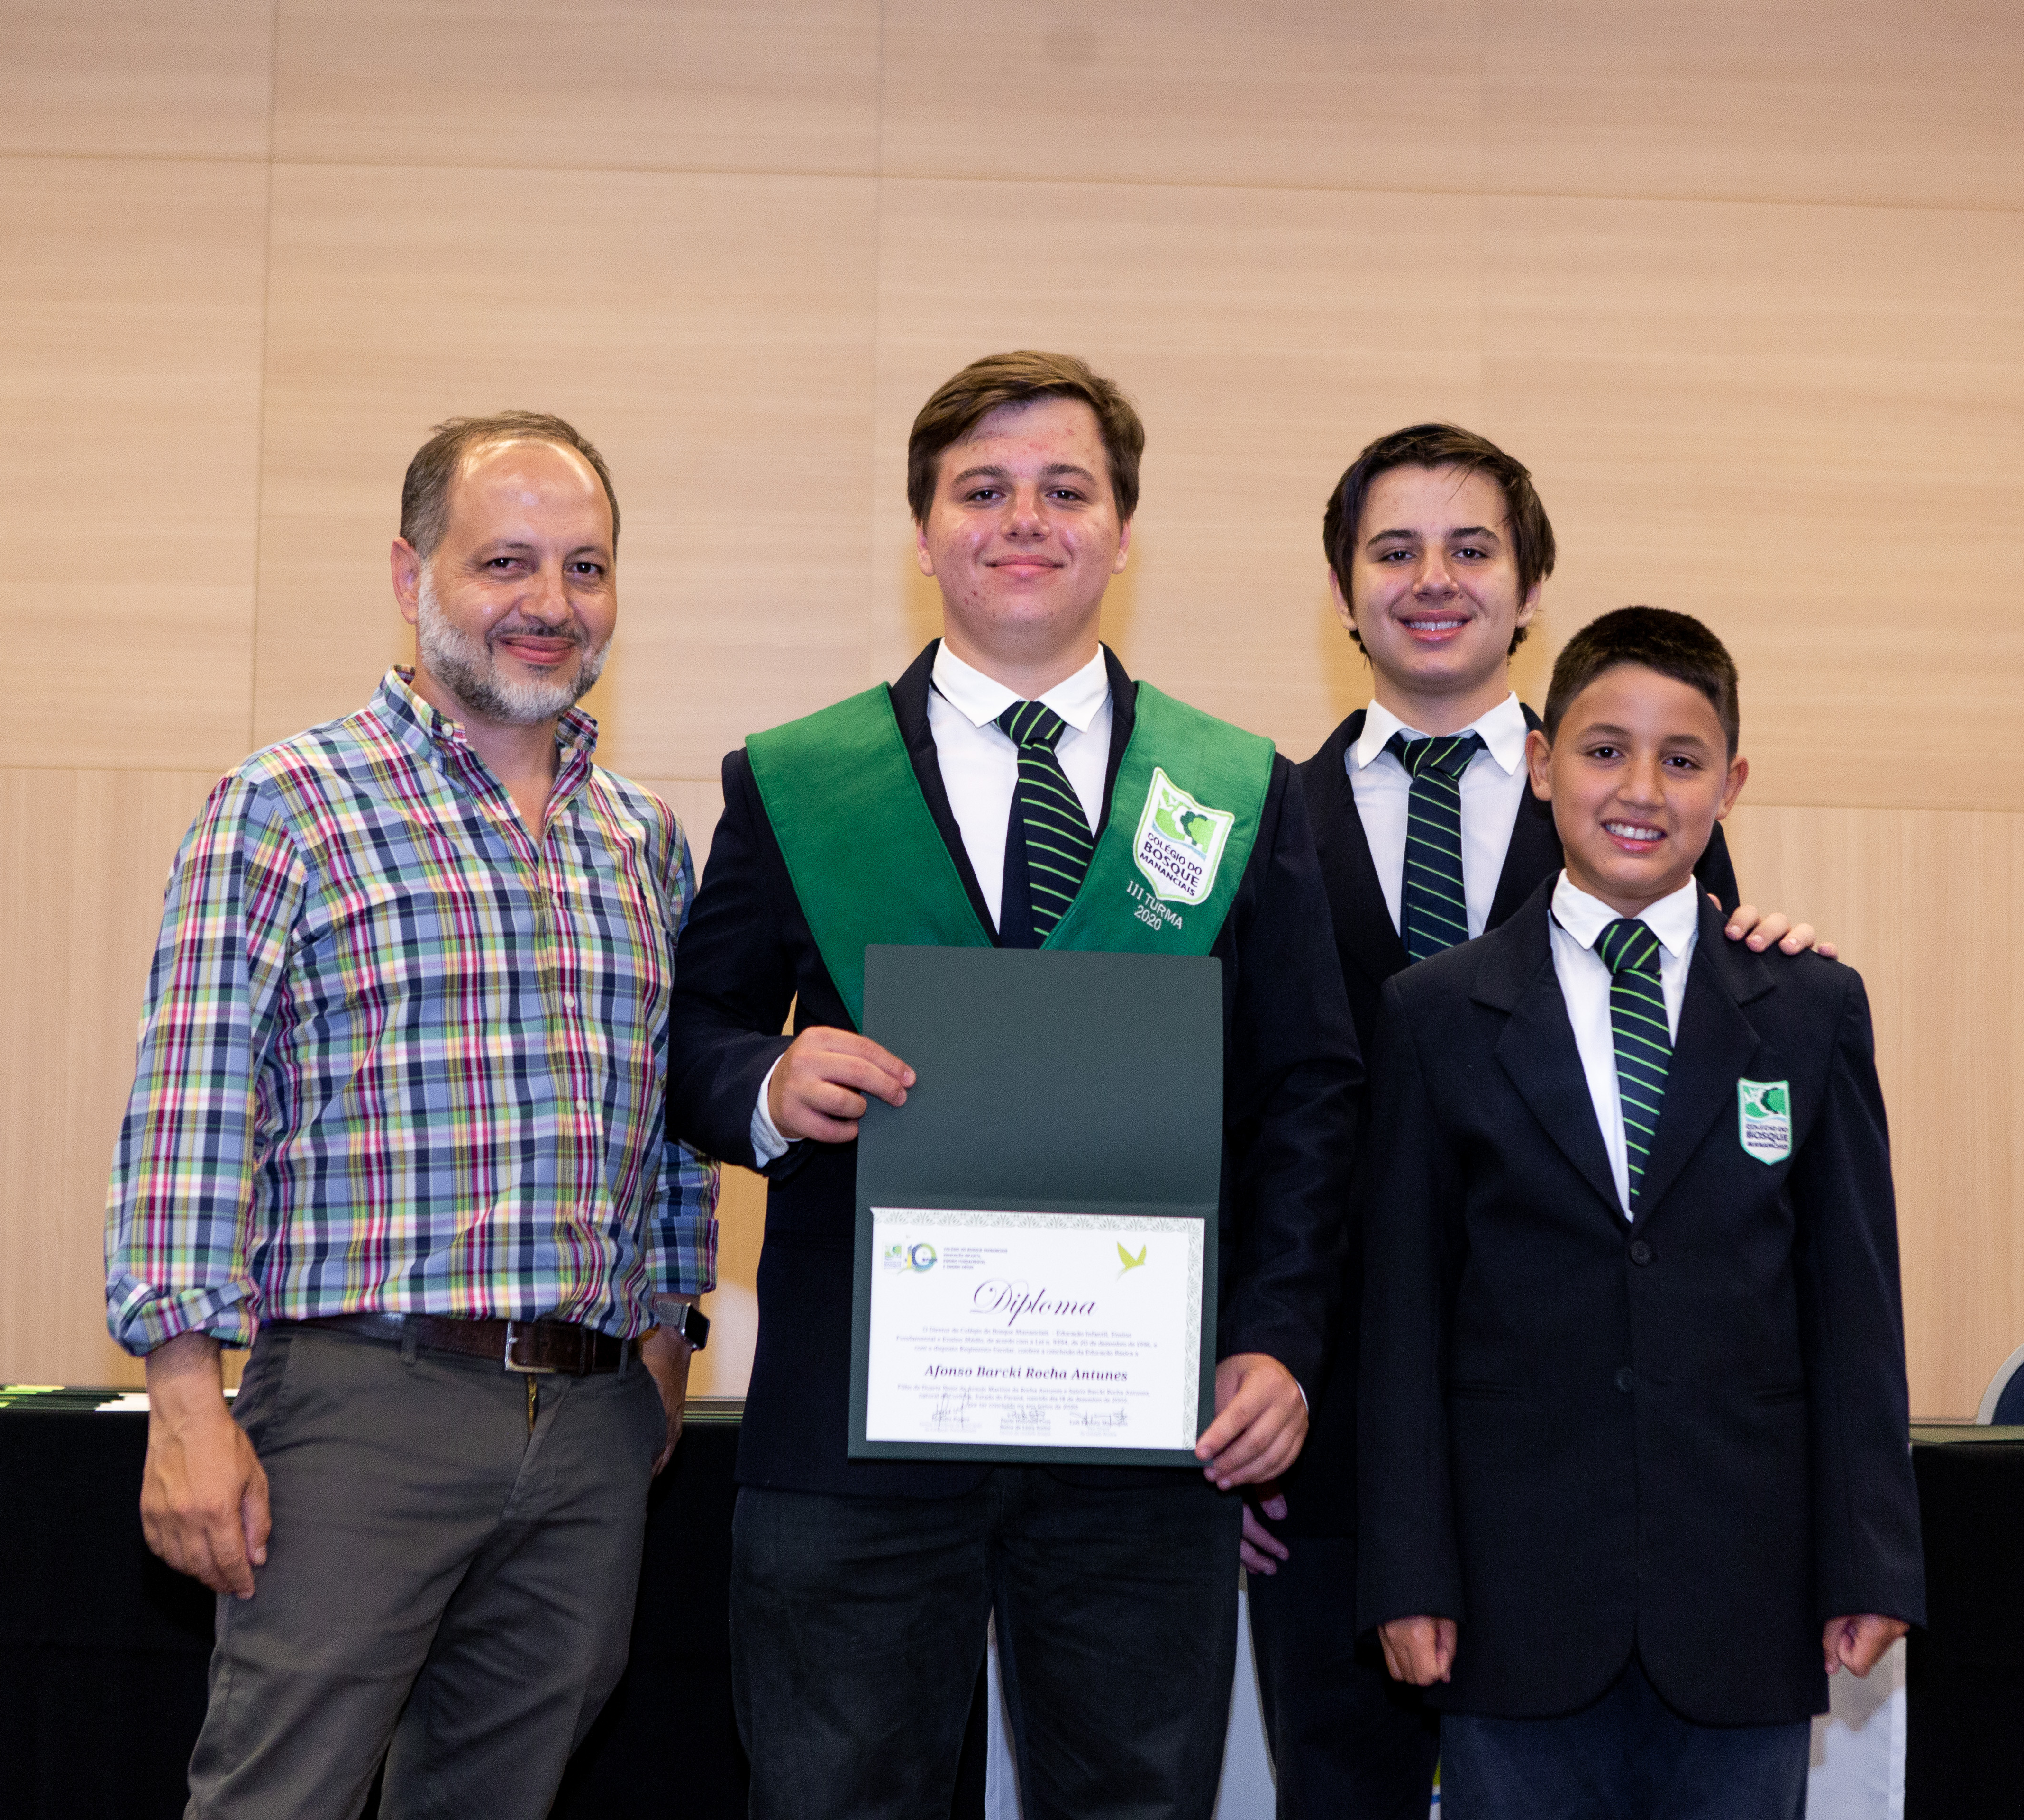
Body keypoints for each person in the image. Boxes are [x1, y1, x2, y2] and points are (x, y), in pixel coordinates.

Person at [668, 350, 1359, 1820]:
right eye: (982, 491)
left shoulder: (1240, 789)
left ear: (1122, 532)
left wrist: (1281, 1340)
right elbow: (693, 1037)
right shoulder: (796, 780)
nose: (1023, 520)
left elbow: (1311, 1091)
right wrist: (769, 1080)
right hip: (851, 1434)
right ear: (924, 536)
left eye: (1065, 490)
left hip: (1145, 1433)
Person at [104, 411, 718, 1819]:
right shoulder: (285, 808)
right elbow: (187, 1115)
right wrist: (184, 1396)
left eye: (585, 567)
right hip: (362, 1406)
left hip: (592, 1419)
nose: (550, 604)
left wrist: (671, 1337)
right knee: (281, 1798)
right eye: (507, 561)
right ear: (409, 573)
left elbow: (676, 1120)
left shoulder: (644, 841)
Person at [1248, 423, 1819, 1820]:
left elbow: (1707, 1070)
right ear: (1342, 588)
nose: (1432, 579)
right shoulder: (1259, 817)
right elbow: (1245, 1123)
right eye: (1394, 549)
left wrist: (1776, 949)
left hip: (1586, 1462)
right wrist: (1252, 1368)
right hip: (1332, 1442)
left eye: (1472, 548)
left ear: (1530, 587)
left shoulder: (1630, 801)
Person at [1357, 606, 1923, 1820]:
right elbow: (1399, 1318)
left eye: (1683, 759)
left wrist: (1871, 1553)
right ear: (1542, 761)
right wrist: (1409, 1571)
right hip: (1512, 1603)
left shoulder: (1811, 1006)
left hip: (1745, 1593)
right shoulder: (1437, 1014)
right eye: (1606, 750)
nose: (1642, 790)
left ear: (1734, 784)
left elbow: (1854, 1304)